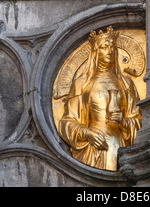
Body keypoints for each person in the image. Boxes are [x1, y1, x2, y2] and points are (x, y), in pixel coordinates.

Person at [58, 27, 141, 171]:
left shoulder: (127, 84)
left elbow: (141, 121)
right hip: (92, 147)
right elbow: (66, 122)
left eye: (112, 47)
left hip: (120, 146)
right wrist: (88, 134)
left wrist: (125, 122)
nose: (109, 51)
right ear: (96, 52)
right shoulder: (81, 84)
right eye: (104, 47)